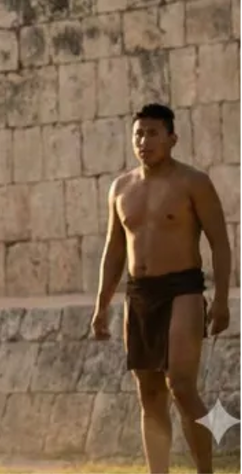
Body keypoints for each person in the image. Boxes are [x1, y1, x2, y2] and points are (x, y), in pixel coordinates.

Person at [90, 103, 232, 474]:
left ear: (172, 138)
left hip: (183, 288)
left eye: (153, 133)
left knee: (182, 387)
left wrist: (220, 301)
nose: (144, 140)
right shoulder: (120, 188)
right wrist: (101, 305)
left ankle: (206, 471)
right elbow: (114, 250)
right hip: (139, 294)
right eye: (138, 133)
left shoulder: (193, 182)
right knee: (149, 394)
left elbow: (220, 242)